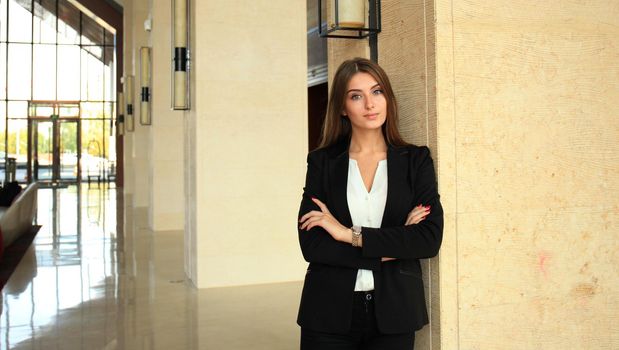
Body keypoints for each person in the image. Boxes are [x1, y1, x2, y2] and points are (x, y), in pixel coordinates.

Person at [296, 57, 444, 350]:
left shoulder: (416, 161)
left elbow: (428, 240)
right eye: (356, 96)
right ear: (342, 107)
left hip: (395, 312)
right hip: (327, 312)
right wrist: (396, 243)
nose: (370, 104)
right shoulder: (323, 163)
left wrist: (347, 235)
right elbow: (312, 245)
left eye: (377, 92)